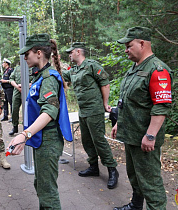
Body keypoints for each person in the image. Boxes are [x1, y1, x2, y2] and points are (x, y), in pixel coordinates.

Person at [7, 33, 73, 209]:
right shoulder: (39, 76)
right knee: (42, 185)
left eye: (26, 53)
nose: (24, 57)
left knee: (47, 192)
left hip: (48, 141)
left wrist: (24, 135)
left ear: (38, 53)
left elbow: (49, 112)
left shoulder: (48, 78)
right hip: (42, 139)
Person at [111, 26, 172, 210]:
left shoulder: (157, 70)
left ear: (142, 43)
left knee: (150, 183)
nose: (126, 50)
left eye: (129, 46)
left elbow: (161, 107)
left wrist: (151, 135)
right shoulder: (135, 68)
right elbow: (127, 100)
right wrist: (118, 124)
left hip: (145, 139)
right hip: (131, 135)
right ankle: (135, 206)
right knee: (135, 176)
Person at [62, 42, 119, 189]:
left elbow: (105, 84)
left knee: (99, 140)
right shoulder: (73, 70)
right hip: (82, 111)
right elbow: (61, 75)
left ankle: (112, 169)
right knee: (86, 140)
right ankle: (93, 166)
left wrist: (105, 104)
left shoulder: (92, 65)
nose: (69, 54)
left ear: (78, 52)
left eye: (71, 52)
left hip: (94, 109)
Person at [8, 65, 35, 135]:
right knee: (14, 109)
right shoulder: (17, 68)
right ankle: (15, 126)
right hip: (17, 91)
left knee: (28, 109)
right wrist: (17, 87)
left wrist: (28, 85)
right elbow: (11, 79)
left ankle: (30, 127)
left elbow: (36, 79)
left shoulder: (32, 67)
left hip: (28, 91)